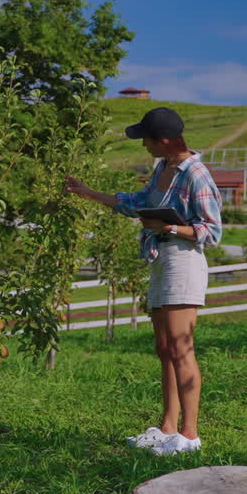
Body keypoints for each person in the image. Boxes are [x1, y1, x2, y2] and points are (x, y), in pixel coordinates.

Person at [65, 106, 222, 455]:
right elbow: (137, 203)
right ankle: (168, 428)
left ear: (164, 140)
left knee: (181, 348)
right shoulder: (162, 168)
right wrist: (87, 192)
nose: (144, 146)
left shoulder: (196, 174)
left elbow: (212, 232)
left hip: (183, 261)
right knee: (164, 349)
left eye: (147, 140)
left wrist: (168, 227)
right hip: (160, 258)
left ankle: (190, 436)